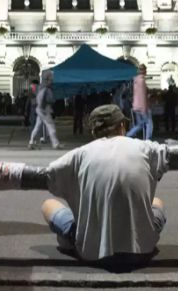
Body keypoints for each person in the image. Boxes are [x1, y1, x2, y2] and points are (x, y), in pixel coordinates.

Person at [42, 104, 167, 267]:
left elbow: (46, 175)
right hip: (141, 251)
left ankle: (73, 238)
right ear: (122, 126)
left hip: (94, 253)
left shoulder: (80, 153)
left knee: (48, 204)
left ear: (93, 131)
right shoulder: (144, 147)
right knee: (157, 202)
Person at [29, 69, 63, 150]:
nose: (52, 80)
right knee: (51, 127)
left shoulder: (43, 88)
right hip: (45, 110)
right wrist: (43, 108)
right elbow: (41, 99)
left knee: (37, 127)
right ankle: (55, 144)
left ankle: (31, 142)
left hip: (41, 110)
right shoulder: (45, 89)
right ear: (47, 79)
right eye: (51, 78)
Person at [126, 65, 153, 140]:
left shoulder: (135, 80)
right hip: (142, 106)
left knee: (140, 124)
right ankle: (148, 140)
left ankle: (128, 135)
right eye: (145, 70)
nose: (146, 71)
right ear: (143, 71)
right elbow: (142, 95)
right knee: (149, 123)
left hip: (136, 106)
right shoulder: (142, 80)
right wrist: (144, 108)